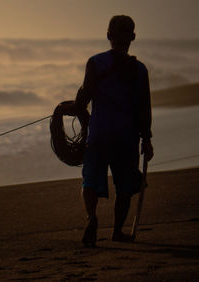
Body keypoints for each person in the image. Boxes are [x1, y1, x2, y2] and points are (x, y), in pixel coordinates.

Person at [74, 15, 154, 247]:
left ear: (108, 35)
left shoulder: (95, 63)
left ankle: (92, 218)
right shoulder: (140, 70)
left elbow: (85, 96)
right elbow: (143, 108)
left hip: (99, 134)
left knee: (90, 180)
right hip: (126, 138)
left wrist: (74, 106)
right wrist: (146, 138)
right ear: (133, 37)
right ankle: (118, 231)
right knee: (125, 186)